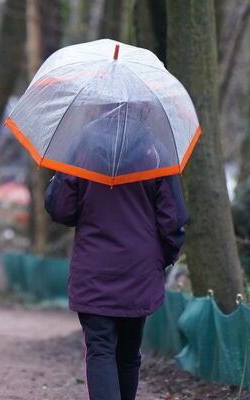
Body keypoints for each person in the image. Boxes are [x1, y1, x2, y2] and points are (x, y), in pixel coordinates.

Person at [44, 112, 189, 400]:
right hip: (140, 269)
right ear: (144, 109)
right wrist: (163, 258)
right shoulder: (156, 152)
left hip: (93, 268)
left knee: (100, 350)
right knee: (128, 353)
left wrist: (59, 179)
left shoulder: (82, 149)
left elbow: (61, 209)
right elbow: (172, 220)